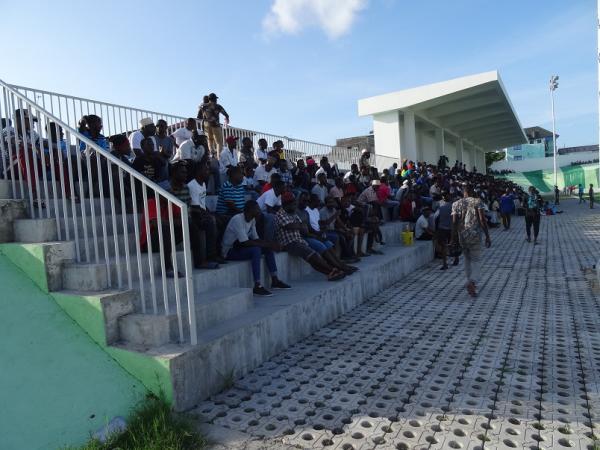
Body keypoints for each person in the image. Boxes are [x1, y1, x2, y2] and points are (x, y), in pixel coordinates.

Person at [222, 201, 291, 296]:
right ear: (250, 210)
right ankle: (257, 285)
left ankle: (275, 280)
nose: (259, 211)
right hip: (230, 251)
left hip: (240, 247)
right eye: (257, 209)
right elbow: (245, 242)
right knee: (256, 250)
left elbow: (256, 239)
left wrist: (271, 245)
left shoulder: (252, 220)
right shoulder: (237, 219)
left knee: (267, 249)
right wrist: (268, 245)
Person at [274, 192, 347, 281]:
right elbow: (291, 226)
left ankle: (330, 273)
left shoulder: (293, 213)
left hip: (298, 241)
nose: (295, 205)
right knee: (313, 255)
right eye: (293, 204)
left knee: (312, 260)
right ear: (287, 204)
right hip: (290, 243)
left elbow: (303, 226)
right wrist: (300, 225)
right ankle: (333, 269)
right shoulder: (280, 214)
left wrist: (300, 225)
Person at [451, 183, 491, 298]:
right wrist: (487, 235)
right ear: (472, 191)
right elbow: (482, 220)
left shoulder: (456, 204)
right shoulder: (477, 202)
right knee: (476, 260)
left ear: (463, 191)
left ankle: (470, 281)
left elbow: (454, 223)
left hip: (462, 236)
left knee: (467, 259)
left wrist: (453, 238)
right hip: (475, 235)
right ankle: (472, 282)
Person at [188, 163, 225, 267]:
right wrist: (210, 215)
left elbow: (202, 204)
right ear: (199, 172)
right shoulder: (192, 185)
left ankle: (218, 253)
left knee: (221, 220)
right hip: (195, 215)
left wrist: (212, 214)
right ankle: (211, 255)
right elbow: (195, 207)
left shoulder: (203, 184)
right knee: (211, 221)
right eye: (206, 170)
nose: (208, 172)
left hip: (202, 212)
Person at [199, 93, 229, 157]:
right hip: (215, 125)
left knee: (210, 140)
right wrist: (227, 119)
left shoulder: (203, 106)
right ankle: (219, 157)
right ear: (215, 99)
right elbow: (225, 114)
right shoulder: (218, 106)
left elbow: (199, 116)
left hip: (206, 125)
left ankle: (212, 153)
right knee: (219, 142)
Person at [435, 192, 458, 270]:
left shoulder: (440, 207)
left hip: (442, 228)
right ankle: (456, 258)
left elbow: (435, 217)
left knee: (443, 246)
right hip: (452, 228)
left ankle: (445, 264)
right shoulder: (454, 206)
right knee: (453, 244)